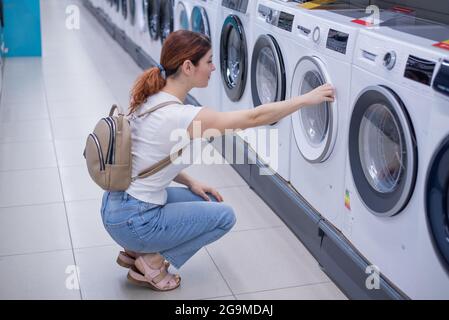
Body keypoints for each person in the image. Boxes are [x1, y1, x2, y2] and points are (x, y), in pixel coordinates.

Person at [100, 30, 335, 291]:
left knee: (206, 199)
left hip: (115, 207)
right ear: (188, 66)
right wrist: (305, 99)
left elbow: (149, 156)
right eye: (209, 61)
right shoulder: (182, 115)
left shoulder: (151, 99)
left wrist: (191, 182)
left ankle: (134, 251)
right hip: (134, 220)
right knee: (224, 216)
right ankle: (152, 261)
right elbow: (254, 118)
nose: (214, 68)